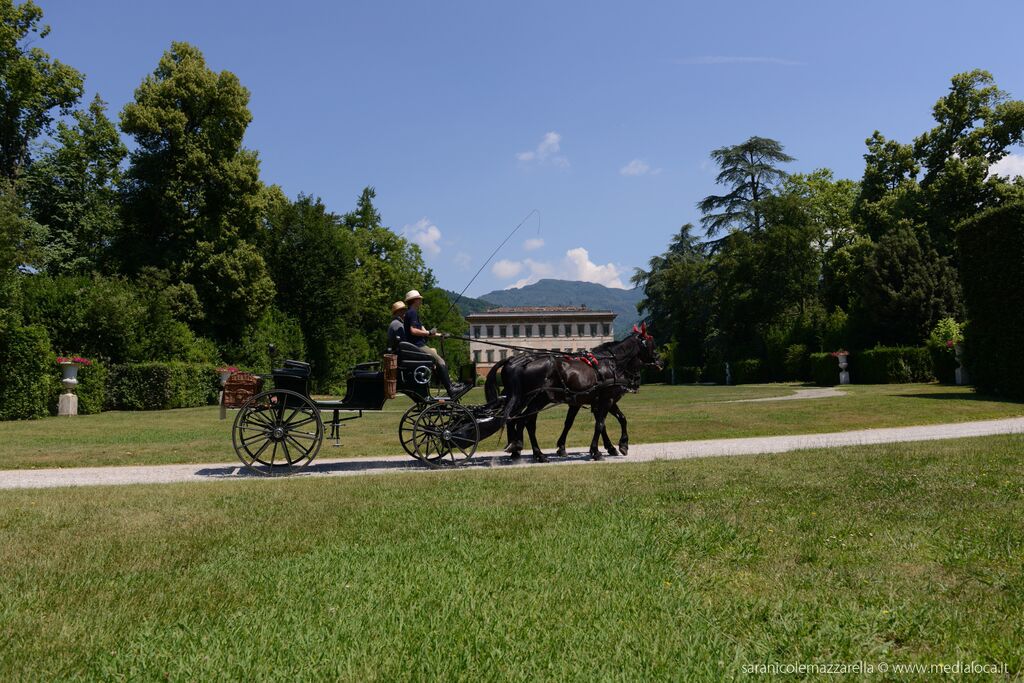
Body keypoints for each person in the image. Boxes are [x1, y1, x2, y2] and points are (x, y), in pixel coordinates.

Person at [403, 289, 467, 397]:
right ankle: (450, 389)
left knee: (436, 355)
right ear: (415, 300)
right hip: (418, 345)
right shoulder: (412, 312)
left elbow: (425, 332)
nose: (420, 301)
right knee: (440, 361)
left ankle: (450, 384)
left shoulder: (411, 313)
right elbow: (413, 331)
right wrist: (428, 332)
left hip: (417, 344)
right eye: (419, 299)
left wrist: (439, 335)